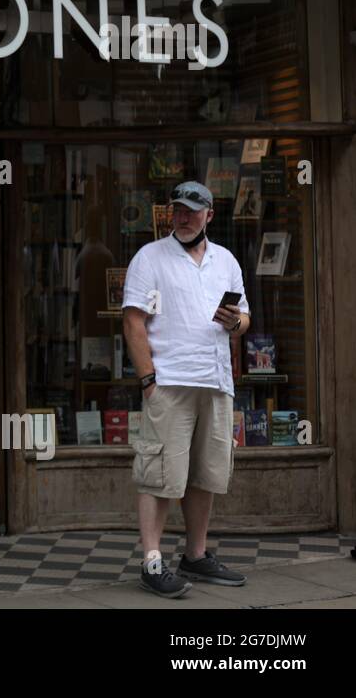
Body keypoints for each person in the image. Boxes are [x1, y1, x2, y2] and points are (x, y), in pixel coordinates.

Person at [122, 180, 251, 598]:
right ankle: (152, 562)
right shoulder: (150, 257)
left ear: (209, 215)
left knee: (205, 474)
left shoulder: (225, 260)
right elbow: (133, 320)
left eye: (192, 211)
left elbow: (244, 317)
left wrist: (236, 322)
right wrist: (148, 382)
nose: (183, 216)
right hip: (170, 382)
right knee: (160, 474)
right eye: (177, 209)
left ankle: (195, 555)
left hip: (215, 381)